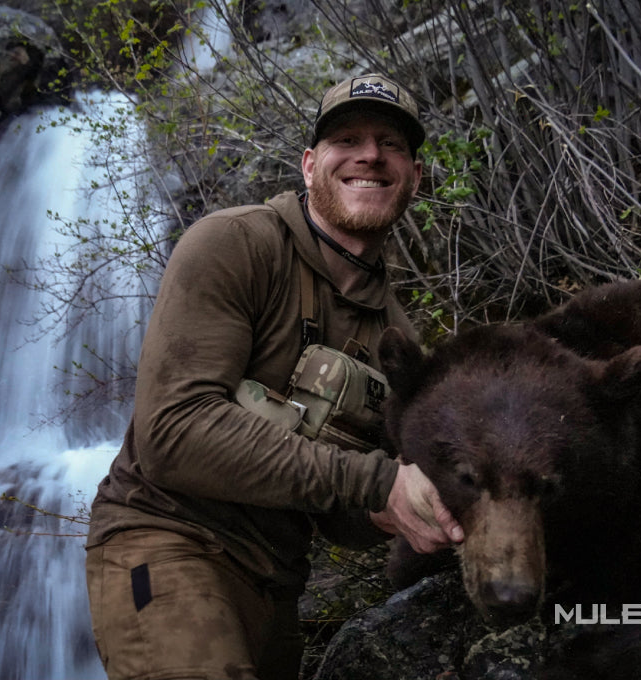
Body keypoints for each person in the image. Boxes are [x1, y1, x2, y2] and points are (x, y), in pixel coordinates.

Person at [84, 73, 464, 680]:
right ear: (311, 164)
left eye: (391, 144)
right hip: (164, 540)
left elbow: (343, 516)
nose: (370, 155)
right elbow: (172, 435)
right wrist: (375, 481)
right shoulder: (233, 245)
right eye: (348, 139)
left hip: (278, 585)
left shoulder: (397, 339)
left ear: (415, 176)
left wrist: (416, 507)